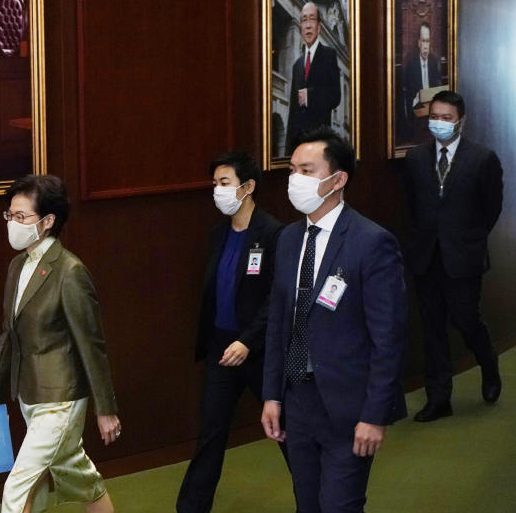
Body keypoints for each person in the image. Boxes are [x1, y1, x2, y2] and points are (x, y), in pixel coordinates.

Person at [261, 127, 407, 513]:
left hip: (348, 407)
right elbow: (279, 323)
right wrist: (272, 394)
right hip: (297, 400)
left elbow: (388, 338)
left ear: (338, 179)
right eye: (292, 169)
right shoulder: (289, 239)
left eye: (307, 171)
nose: (295, 179)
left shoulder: (371, 242)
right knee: (307, 504)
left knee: (340, 506)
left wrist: (375, 416)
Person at [0, 175, 120, 513]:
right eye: (9, 215)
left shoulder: (70, 271)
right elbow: (8, 335)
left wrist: (105, 408)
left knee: (18, 488)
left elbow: (91, 343)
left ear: (48, 221)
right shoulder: (17, 266)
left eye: (21, 217)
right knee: (77, 474)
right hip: (29, 394)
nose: (13, 224)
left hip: (61, 399)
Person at [176, 152, 288, 513]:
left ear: (248, 187)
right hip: (221, 349)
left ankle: (319, 500)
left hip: (259, 350)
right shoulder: (218, 234)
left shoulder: (272, 233)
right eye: (214, 184)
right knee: (211, 433)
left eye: (224, 183)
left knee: (285, 431)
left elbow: (276, 298)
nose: (217, 191)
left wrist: (247, 341)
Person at [402, 90, 503, 422]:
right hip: (426, 257)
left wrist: (466, 239)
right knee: (432, 328)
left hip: (463, 257)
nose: (439, 123)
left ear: (461, 121)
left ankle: (489, 365)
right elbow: (412, 207)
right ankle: (439, 398)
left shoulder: (482, 159)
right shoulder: (415, 158)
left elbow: (490, 209)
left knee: (465, 320)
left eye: (447, 118)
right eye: (435, 116)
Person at [286, 2, 341, 153]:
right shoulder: (297, 65)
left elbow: (335, 96)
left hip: (320, 144)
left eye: (312, 19)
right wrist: (289, 152)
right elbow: (292, 112)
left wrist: (311, 96)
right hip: (299, 145)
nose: (308, 25)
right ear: (300, 27)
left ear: (319, 27)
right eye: (304, 20)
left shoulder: (329, 55)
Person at [398, 22, 442, 142]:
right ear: (419, 43)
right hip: (417, 113)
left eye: (427, 41)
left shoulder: (434, 62)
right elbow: (407, 95)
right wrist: (416, 99)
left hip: (433, 111)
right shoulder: (411, 64)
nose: (425, 46)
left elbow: (439, 88)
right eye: (423, 41)